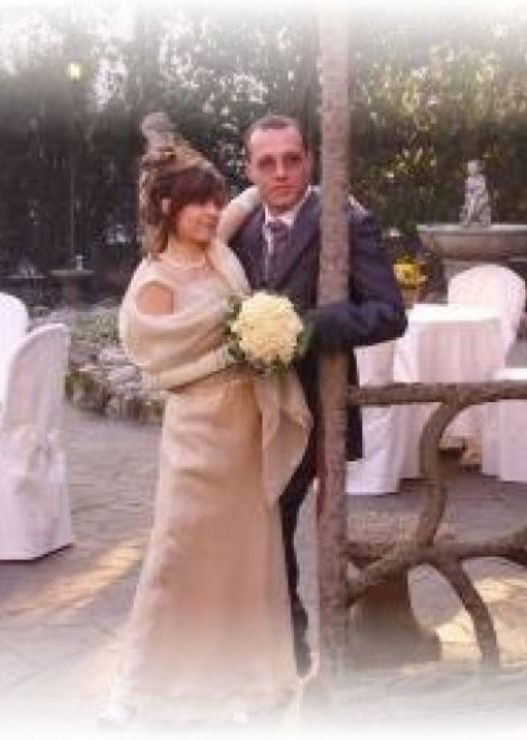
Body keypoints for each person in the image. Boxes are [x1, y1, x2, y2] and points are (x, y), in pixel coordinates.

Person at [106, 114, 312, 724]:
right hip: (198, 439)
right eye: (198, 203)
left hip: (247, 433)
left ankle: (249, 681)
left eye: (214, 201)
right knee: (182, 561)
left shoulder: (217, 249)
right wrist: (234, 352)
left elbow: (251, 197)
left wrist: (331, 196)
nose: (211, 211)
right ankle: (159, 687)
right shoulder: (156, 281)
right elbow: (161, 370)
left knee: (247, 562)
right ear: (169, 208)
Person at [221, 114, 408, 677]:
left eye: (292, 159)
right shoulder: (238, 230)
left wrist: (308, 326)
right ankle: (282, 643)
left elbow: (389, 313)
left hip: (315, 409)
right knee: (259, 528)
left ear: (309, 160)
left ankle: (298, 648)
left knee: (280, 520)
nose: (281, 172)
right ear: (250, 169)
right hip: (252, 411)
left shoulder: (346, 221)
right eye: (267, 162)